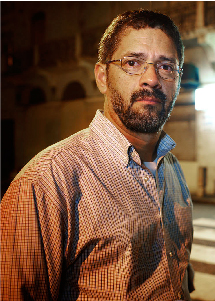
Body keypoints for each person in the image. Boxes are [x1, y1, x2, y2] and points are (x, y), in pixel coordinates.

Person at [1, 10, 194, 301]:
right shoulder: (47, 182)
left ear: (178, 81)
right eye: (132, 63)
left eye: (166, 67)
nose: (151, 79)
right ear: (102, 77)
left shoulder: (171, 166)